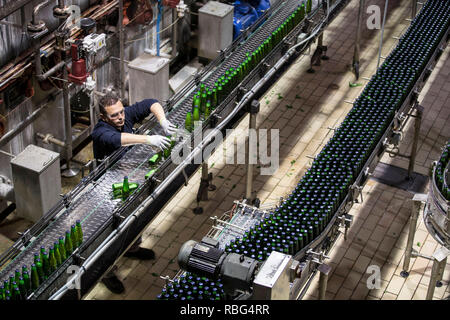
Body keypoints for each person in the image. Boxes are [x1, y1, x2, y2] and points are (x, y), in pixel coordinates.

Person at [91, 91, 176, 294]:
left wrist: (163, 120)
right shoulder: (101, 132)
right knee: (111, 232)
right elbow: (118, 140)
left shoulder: (124, 115)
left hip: (128, 176)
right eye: (114, 115)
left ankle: (132, 249)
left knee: (135, 218)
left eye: (121, 112)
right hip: (107, 186)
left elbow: (151, 102)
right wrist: (148, 140)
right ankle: (107, 273)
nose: (120, 117)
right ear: (104, 117)